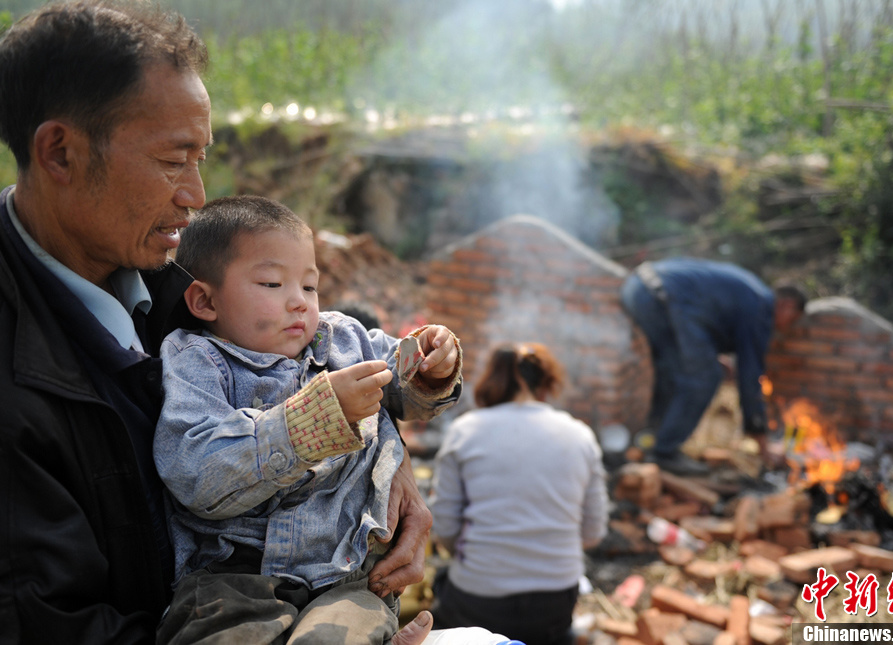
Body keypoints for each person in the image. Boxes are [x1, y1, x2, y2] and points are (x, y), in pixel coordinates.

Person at [0, 2, 432, 642]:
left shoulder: (182, 283)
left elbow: (323, 362)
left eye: (200, 158)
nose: (196, 195)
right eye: (173, 159)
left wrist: (389, 464)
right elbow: (46, 624)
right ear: (60, 152)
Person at [153, 195, 463, 643]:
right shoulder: (194, 361)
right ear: (205, 300)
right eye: (272, 285)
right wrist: (310, 422)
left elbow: (403, 384)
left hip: (347, 573)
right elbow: (195, 471)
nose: (300, 302)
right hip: (231, 577)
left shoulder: (342, 339)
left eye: (310, 287)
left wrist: (433, 363)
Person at [429, 342, 609, 645]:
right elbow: (592, 533)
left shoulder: (466, 431)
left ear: (492, 380)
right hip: (555, 603)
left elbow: (444, 529)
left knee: (442, 594)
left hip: (478, 599)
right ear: (547, 382)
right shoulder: (580, 435)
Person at [620, 257, 806, 477]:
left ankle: (648, 441)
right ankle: (664, 452)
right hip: (665, 296)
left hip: (638, 287)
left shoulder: (750, 292)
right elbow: (750, 378)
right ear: (787, 305)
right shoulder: (761, 308)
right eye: (792, 319)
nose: (786, 328)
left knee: (671, 371)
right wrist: (762, 442)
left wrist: (710, 357)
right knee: (705, 378)